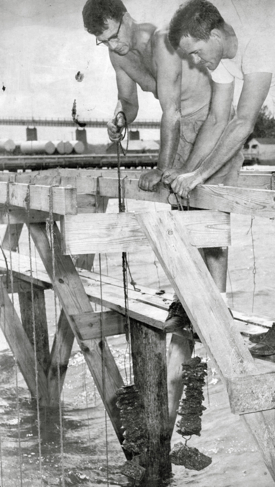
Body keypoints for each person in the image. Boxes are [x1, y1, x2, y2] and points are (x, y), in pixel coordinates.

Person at [82, 0, 239, 435]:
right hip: (180, 128)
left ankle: (216, 311)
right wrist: (119, 118)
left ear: (125, 17)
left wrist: (161, 170)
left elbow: (170, 111)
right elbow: (131, 103)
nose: (111, 43)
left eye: (114, 33)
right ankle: (190, 305)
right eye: (103, 40)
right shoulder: (118, 55)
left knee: (209, 226)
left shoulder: (161, 43)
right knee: (179, 228)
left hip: (208, 124)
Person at [164, 0, 274, 200]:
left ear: (214, 35)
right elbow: (217, 119)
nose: (195, 61)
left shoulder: (256, 41)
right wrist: (186, 170)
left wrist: (198, 176)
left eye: (196, 52)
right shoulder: (219, 55)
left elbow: (243, 123)